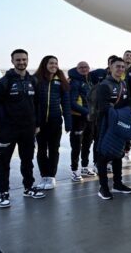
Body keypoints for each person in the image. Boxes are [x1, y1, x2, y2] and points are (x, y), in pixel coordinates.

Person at [0, 49, 45, 208]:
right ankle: (3, 193)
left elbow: (37, 104)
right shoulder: (3, 83)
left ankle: (28, 188)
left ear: (28, 60)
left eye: (24, 59)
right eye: (18, 60)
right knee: (4, 163)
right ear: (12, 61)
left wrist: (37, 124)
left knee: (27, 161)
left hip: (28, 130)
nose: (21, 62)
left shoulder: (33, 81)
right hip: (7, 130)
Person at [96, 57, 131, 199]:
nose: (120, 69)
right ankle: (103, 187)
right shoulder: (104, 85)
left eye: (123, 67)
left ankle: (117, 184)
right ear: (110, 67)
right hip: (106, 125)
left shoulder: (123, 84)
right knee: (102, 155)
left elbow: (128, 102)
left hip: (120, 124)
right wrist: (119, 114)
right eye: (117, 66)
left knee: (119, 153)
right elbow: (103, 107)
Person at [34, 55, 72, 190]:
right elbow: (32, 103)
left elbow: (66, 103)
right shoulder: (36, 80)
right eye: (51, 63)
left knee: (54, 149)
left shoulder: (61, 81)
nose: (54, 65)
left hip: (55, 121)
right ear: (45, 64)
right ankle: (44, 176)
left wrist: (68, 122)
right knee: (41, 150)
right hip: (40, 123)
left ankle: (51, 177)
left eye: (56, 63)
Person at [68, 61, 95, 181]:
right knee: (76, 146)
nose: (84, 69)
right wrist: (86, 112)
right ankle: (74, 170)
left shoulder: (88, 81)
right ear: (77, 69)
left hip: (89, 118)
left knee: (88, 144)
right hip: (78, 118)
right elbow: (72, 103)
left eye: (86, 67)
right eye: (81, 67)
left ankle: (84, 167)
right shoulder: (74, 82)